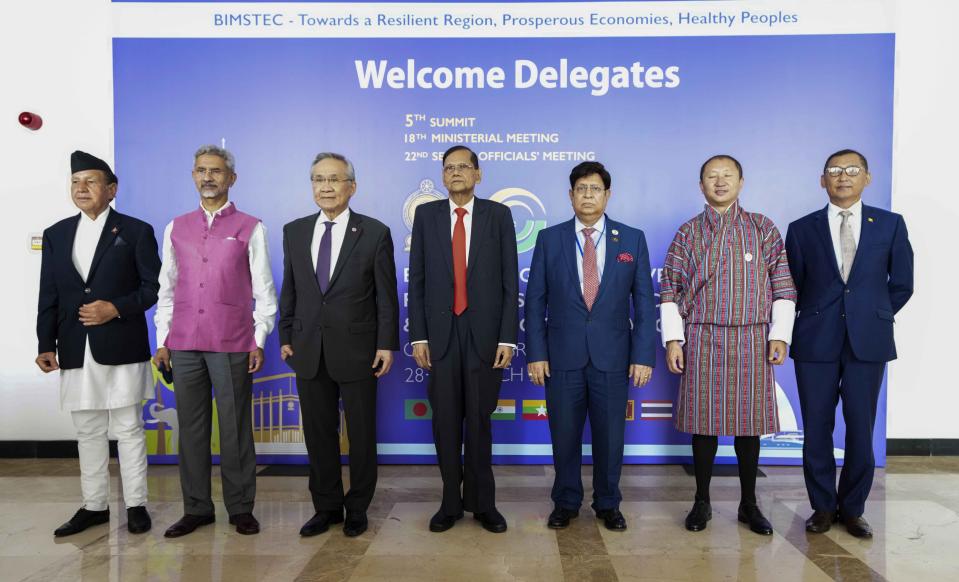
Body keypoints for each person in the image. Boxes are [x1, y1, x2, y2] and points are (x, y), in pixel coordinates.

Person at [661, 155, 796, 535]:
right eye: (711, 176)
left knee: (748, 427)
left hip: (753, 336)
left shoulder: (762, 228)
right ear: (701, 184)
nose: (719, 182)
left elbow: (783, 285)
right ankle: (701, 501)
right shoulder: (688, 233)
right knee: (703, 425)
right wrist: (674, 339)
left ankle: (748, 503)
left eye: (727, 176)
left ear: (741, 181)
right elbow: (670, 288)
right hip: (702, 336)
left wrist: (779, 335)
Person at [786, 149, 913, 538]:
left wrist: (872, 314)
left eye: (852, 170)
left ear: (867, 178)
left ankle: (853, 508)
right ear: (822, 180)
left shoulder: (889, 225)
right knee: (817, 427)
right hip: (815, 341)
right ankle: (823, 507)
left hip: (868, 342)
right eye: (835, 171)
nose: (843, 177)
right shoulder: (801, 228)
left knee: (861, 427)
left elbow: (902, 284)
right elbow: (795, 284)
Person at [153, 145, 277, 537]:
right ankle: (196, 508)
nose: (208, 177)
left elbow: (264, 290)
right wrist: (162, 340)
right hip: (184, 342)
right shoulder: (176, 227)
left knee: (236, 427)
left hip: (232, 341)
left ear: (231, 178)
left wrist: (257, 339)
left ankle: (241, 508)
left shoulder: (251, 227)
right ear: (193, 176)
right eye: (201, 170)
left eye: (217, 171)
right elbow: (166, 289)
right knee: (190, 429)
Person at [525, 161, 656, 531]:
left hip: (613, 357)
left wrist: (643, 355)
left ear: (607, 195)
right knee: (564, 435)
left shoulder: (631, 239)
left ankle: (608, 503)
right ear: (570, 195)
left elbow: (644, 302)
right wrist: (536, 353)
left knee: (611, 437)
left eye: (594, 189)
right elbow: (535, 301)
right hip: (561, 357)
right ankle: (565, 502)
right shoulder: (549, 240)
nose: (587, 195)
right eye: (580, 188)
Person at [36, 151, 160, 536]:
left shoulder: (135, 231)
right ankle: (94, 506)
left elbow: (152, 288)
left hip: (121, 342)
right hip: (75, 346)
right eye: (76, 182)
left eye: (90, 181)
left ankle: (137, 505)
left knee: (127, 427)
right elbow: (49, 293)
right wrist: (46, 343)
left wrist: (115, 309)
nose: (82, 188)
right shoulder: (56, 234)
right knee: (87, 430)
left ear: (111, 189)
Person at [278, 152, 399, 538]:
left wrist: (386, 344)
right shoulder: (294, 231)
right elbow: (291, 290)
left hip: (359, 350)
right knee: (318, 433)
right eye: (318, 179)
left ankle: (358, 506)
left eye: (333, 179)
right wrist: (285, 335)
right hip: (308, 349)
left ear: (352, 186)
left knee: (362, 434)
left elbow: (385, 296)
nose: (325, 187)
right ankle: (326, 507)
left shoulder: (374, 232)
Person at [408, 145, 519, 533]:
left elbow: (509, 282)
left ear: (478, 174)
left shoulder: (499, 216)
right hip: (440, 335)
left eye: (463, 167)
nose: (456, 173)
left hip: (485, 336)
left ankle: (483, 503)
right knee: (445, 423)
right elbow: (417, 279)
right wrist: (418, 334)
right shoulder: (426, 216)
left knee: (479, 421)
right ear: (442, 176)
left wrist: (508, 337)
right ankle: (450, 503)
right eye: (449, 168)